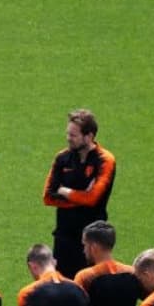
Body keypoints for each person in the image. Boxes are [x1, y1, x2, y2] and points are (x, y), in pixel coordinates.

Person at [42, 109, 116, 279]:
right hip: (64, 237)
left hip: (93, 240)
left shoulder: (105, 160)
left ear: (89, 136)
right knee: (64, 285)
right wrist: (82, 196)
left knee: (92, 286)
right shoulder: (62, 158)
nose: (68, 138)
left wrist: (65, 191)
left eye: (73, 135)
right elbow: (48, 197)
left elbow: (93, 199)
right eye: (68, 133)